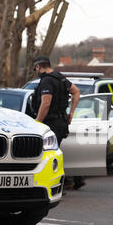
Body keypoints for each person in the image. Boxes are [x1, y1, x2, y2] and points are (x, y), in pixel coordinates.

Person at [32, 55, 85, 190]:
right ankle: (72, 179)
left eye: (35, 69)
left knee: (48, 155)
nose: (36, 72)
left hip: (50, 123)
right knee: (55, 152)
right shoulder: (60, 78)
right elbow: (76, 92)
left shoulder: (47, 81)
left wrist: (37, 122)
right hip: (61, 121)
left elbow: (45, 103)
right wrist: (71, 112)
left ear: (38, 67)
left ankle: (58, 184)